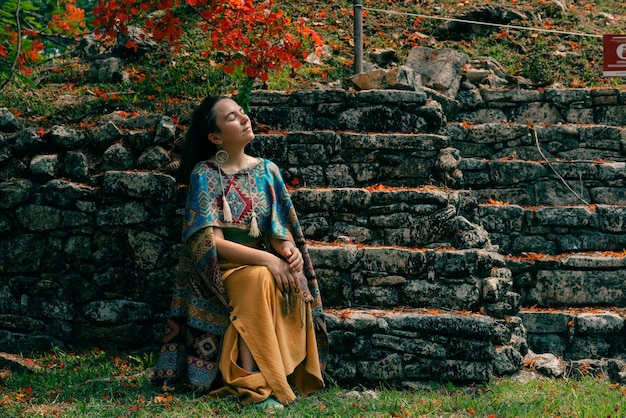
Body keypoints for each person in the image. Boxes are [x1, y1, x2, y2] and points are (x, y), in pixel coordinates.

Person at [153, 95, 328, 410]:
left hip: (264, 264)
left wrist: (288, 253)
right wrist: (269, 260)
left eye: (242, 112)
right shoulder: (204, 174)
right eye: (232, 117)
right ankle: (252, 384)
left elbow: (278, 230)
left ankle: (266, 375)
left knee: (271, 277)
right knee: (260, 278)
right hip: (223, 272)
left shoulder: (267, 171)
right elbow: (210, 243)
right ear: (216, 137)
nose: (244, 118)